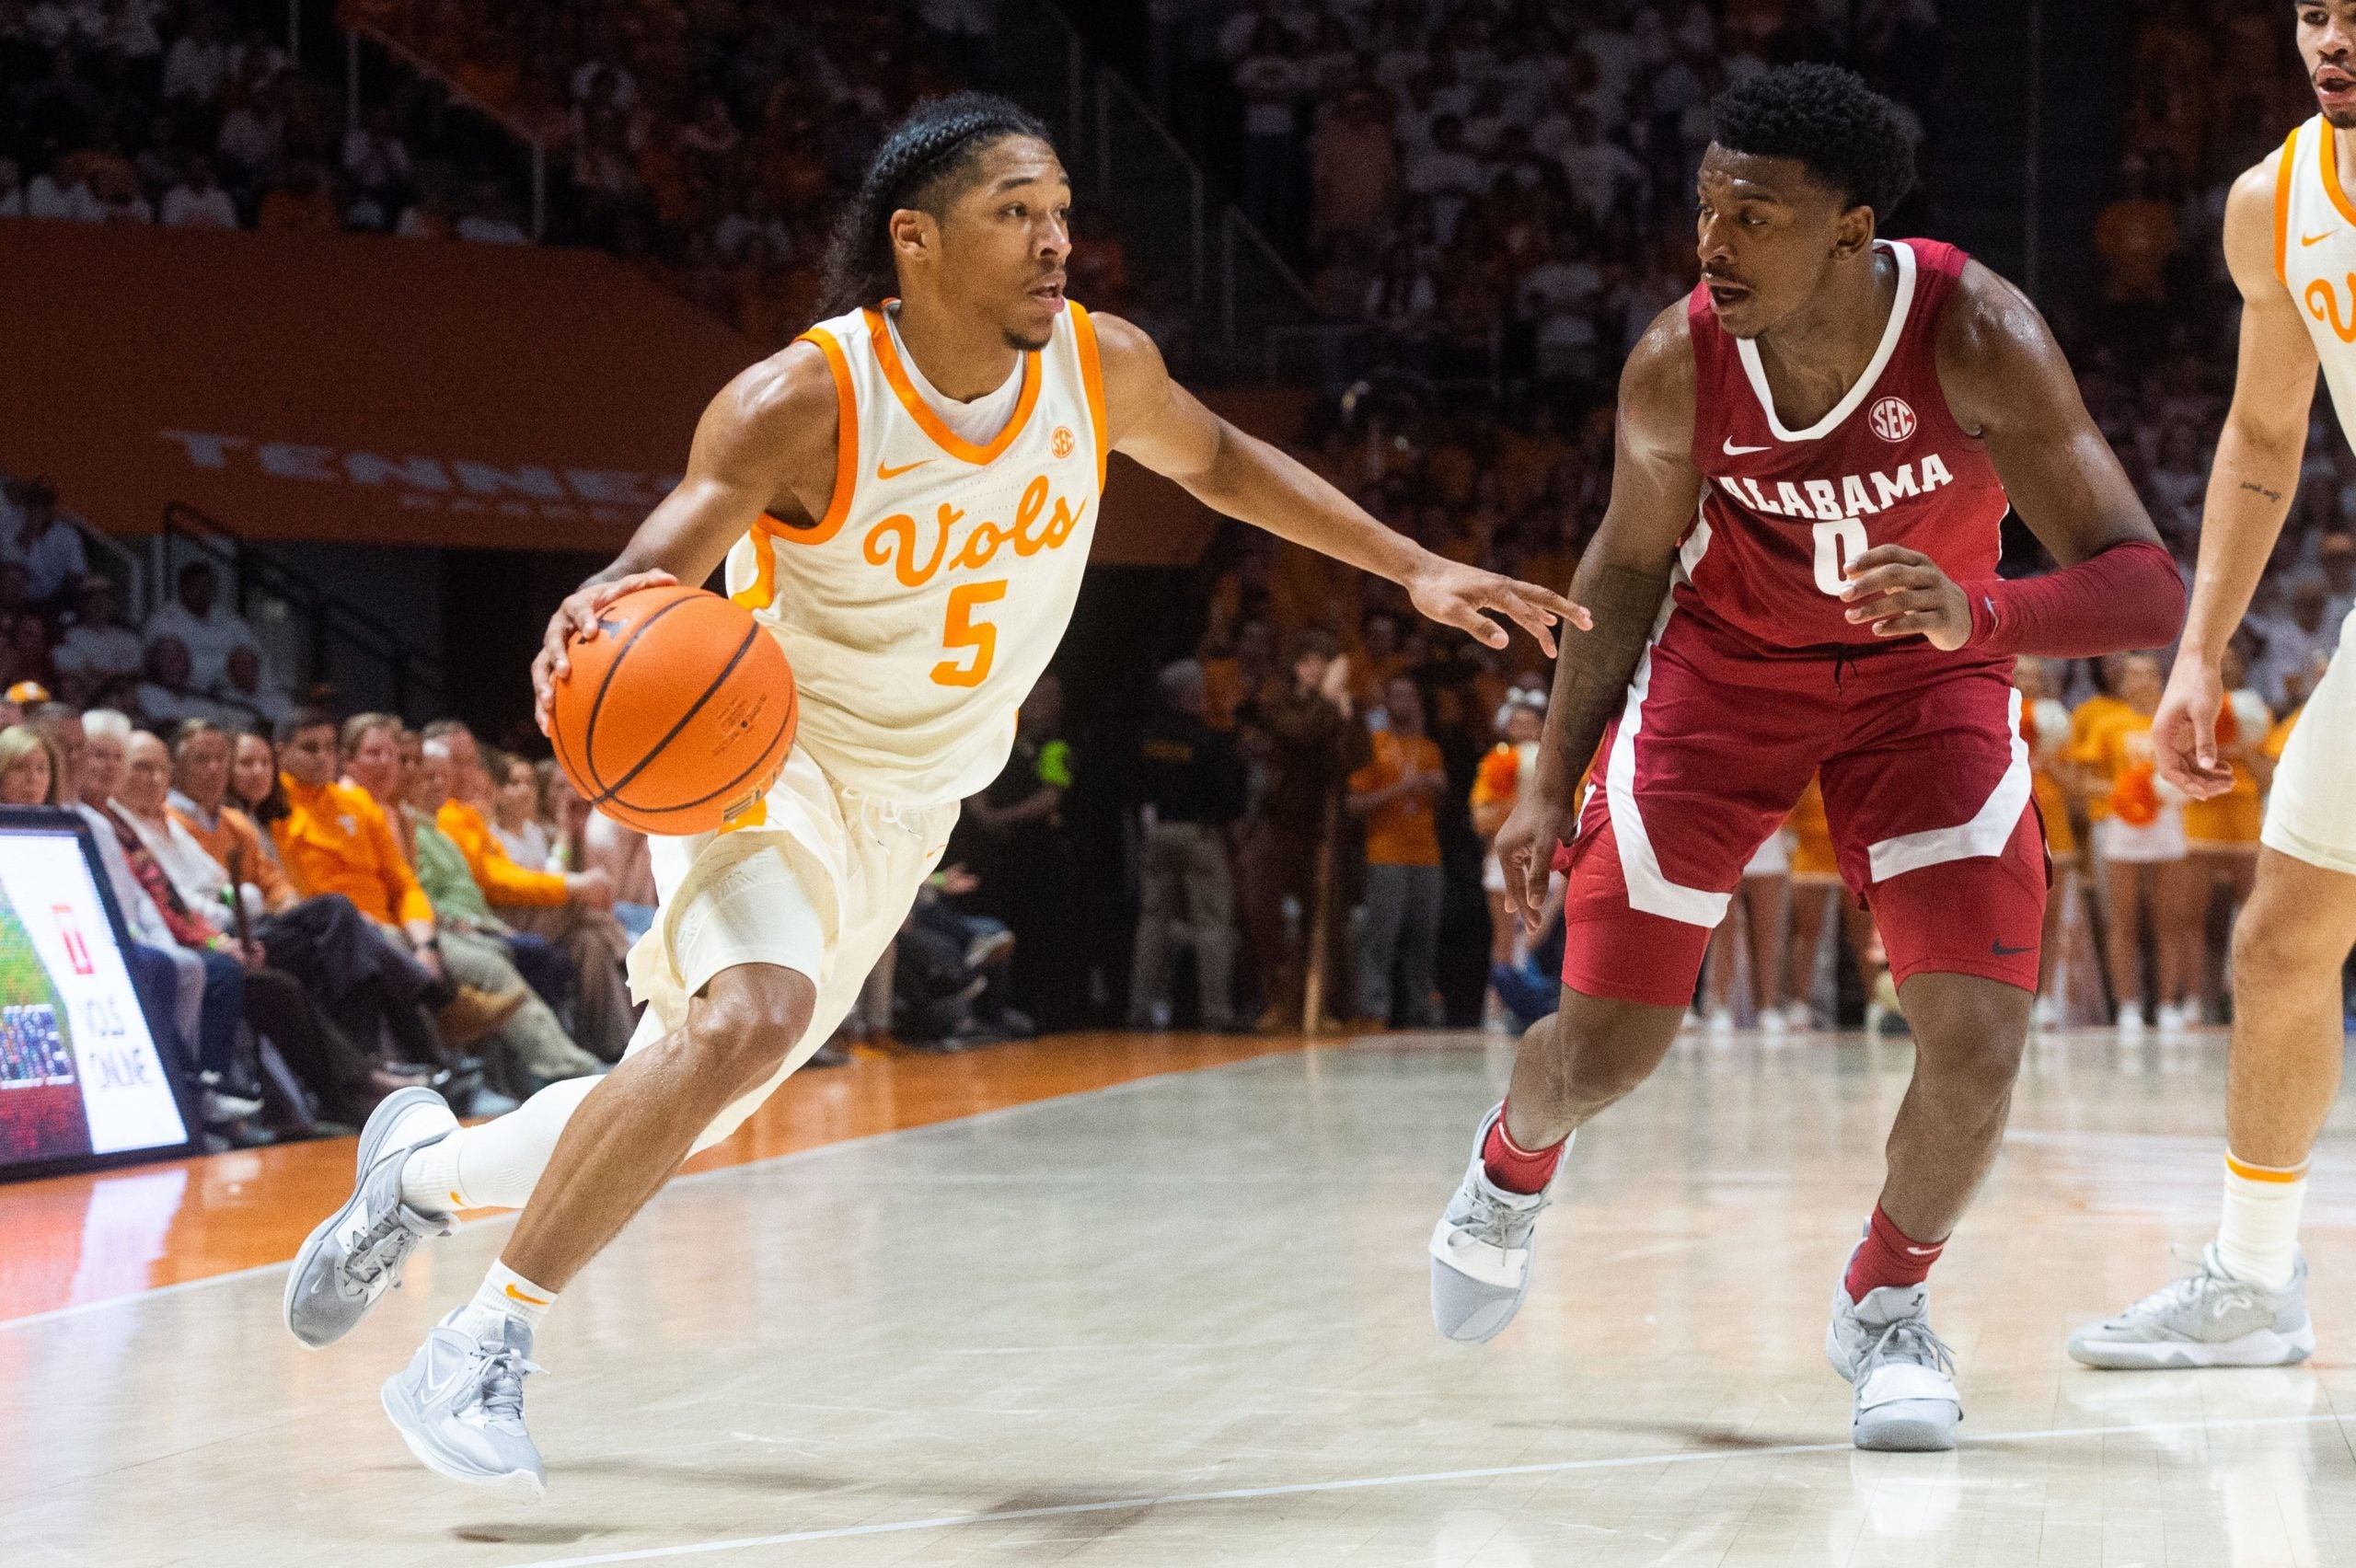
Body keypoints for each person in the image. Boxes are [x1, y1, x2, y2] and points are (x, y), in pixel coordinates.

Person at [277, 91, 1574, 1495]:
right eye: (1016, 213)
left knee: (686, 1095)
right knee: (749, 1018)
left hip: (913, 802)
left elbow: (1219, 460)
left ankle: (416, 1177)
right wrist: (594, 608)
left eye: (1061, 213)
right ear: (918, 239)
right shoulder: (805, 399)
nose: (1055, 241)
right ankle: (480, 1346)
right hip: (763, 757)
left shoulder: (1101, 368)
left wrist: (1413, 567)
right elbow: (660, 559)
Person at [1428, 66, 2183, 1452]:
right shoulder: (1677, 360)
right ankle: (1510, 1164)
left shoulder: (1978, 332)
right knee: (1607, 1051)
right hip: (1723, 678)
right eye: (1706, 208)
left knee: (1980, 1041)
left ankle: (1886, 1305)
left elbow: (2147, 587)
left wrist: (1981, 614)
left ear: (1851, 232)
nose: (1712, 244)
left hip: (1928, 681)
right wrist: (1548, 780)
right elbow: (1629, 562)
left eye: (1753, 218)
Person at [2072, 8, 2356, 1369]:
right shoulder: (2273, 200)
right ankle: (2251, 1279)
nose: (2333, 40)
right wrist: (2197, 649)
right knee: (2282, 940)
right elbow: (2260, 431)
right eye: (2313, 13)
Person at [2073, 651, 2199, 1032]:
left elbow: (2195, 771)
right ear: (2123, 682)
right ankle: (2127, 1006)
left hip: (2167, 823)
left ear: (2160, 679)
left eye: (2148, 674)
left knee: (2169, 918)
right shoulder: (2107, 723)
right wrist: (2124, 792)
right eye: (2134, 675)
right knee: (2123, 919)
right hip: (2122, 826)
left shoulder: (2176, 723)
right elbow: (2084, 779)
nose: (2141, 681)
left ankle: (2168, 1004)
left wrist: (2173, 789)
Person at [1126, 658, 1248, 1032]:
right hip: (1199, 835)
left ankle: (1140, 1009)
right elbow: (1227, 795)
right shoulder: (1207, 737)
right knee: (1212, 923)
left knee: (1152, 923)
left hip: (1156, 832)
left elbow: (1133, 785)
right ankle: (1216, 1011)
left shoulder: (1146, 737)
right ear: (1193, 694)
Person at [1348, 674, 1448, 1027]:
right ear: (1387, 702)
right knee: (1381, 935)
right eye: (1397, 696)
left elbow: (1440, 797)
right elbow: (1354, 802)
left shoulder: (1429, 749)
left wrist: (1433, 787)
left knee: (1424, 937)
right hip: (1385, 852)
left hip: (1427, 855)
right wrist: (1401, 789)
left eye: (1410, 696)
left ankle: (1420, 1008)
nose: (1403, 703)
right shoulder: (1374, 745)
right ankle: (1374, 1008)